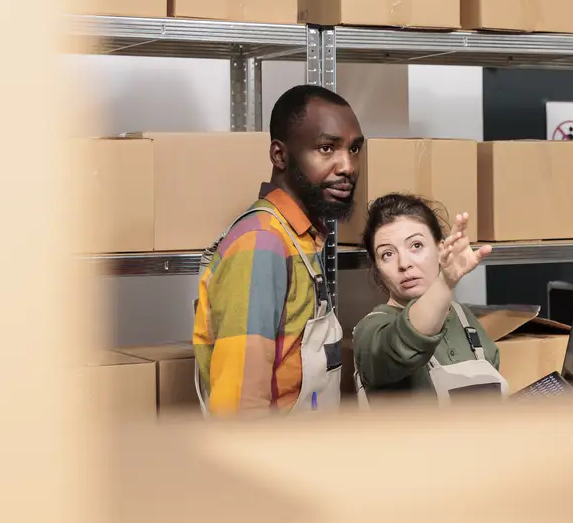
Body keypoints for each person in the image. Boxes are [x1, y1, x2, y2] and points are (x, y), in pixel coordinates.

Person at [193, 85, 364, 416]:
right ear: (279, 156)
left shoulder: (301, 236)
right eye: (326, 148)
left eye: (354, 149)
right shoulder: (262, 244)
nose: (347, 167)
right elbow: (240, 409)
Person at [352, 193, 505, 406]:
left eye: (416, 245)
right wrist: (446, 281)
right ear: (377, 268)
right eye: (387, 254)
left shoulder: (464, 318)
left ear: (440, 248)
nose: (404, 263)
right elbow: (403, 344)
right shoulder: (371, 330)